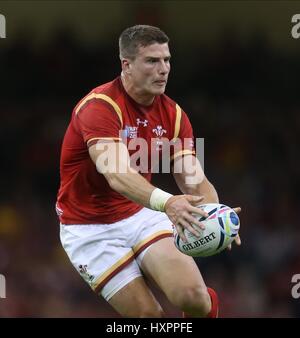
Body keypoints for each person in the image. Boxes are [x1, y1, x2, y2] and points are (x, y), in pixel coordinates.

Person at [56, 24, 241, 318]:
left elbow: (194, 180)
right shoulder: (99, 106)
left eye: (167, 60)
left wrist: (216, 214)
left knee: (194, 298)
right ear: (126, 65)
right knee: (148, 316)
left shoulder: (175, 115)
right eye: (152, 61)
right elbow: (116, 174)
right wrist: (168, 203)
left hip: (140, 214)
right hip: (88, 228)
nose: (163, 69)